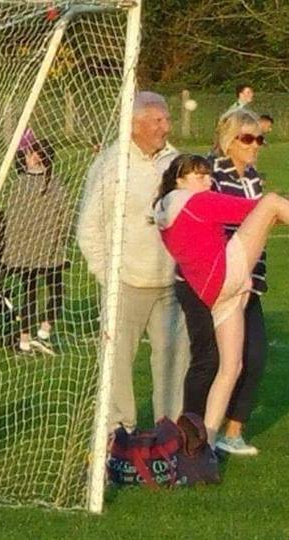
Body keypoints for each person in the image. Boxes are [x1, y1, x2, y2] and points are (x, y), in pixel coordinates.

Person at [153, 154, 288, 444]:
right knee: (271, 202)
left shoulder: (164, 211)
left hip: (213, 293)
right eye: (199, 176)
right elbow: (252, 209)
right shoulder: (195, 202)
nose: (207, 181)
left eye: (208, 175)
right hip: (224, 275)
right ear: (179, 180)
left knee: (231, 367)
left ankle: (207, 444)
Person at [76, 91, 189, 432]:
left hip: (170, 282)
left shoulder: (176, 162)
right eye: (157, 121)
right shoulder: (111, 165)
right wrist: (109, 276)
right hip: (125, 284)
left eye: (167, 119)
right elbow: (89, 228)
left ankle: (170, 431)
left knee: (173, 359)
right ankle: (119, 432)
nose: (166, 127)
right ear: (135, 124)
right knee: (117, 363)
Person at [175, 109, 269, 455]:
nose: (255, 144)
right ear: (229, 141)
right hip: (215, 280)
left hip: (247, 280)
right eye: (248, 138)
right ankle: (193, 434)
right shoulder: (212, 174)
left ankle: (231, 432)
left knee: (254, 357)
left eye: (259, 138)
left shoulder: (253, 178)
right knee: (210, 361)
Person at [3, 139, 70, 354]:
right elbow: (65, 218)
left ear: (37, 157)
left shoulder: (19, 184)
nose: (25, 157)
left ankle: (26, 339)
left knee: (29, 292)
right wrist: (61, 240)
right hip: (48, 249)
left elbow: (10, 217)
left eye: (29, 153)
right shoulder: (55, 184)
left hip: (26, 250)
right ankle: (44, 331)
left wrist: (13, 246)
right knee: (55, 290)